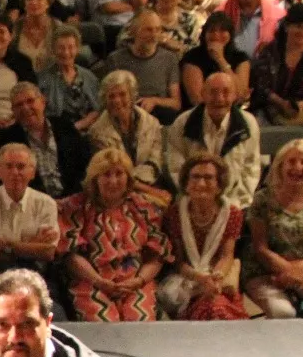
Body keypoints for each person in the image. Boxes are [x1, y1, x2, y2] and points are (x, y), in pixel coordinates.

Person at [59, 147, 173, 321]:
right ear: (95, 179)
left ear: (128, 178)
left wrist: (139, 281)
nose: (113, 181)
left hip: (136, 282)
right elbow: (70, 256)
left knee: (139, 319)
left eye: (119, 174)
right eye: (106, 175)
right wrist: (99, 281)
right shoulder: (76, 207)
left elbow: (157, 255)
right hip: (91, 282)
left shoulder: (143, 207)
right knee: (103, 322)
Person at [244, 139, 303, 318]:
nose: (298, 167)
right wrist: (291, 273)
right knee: (284, 313)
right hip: (267, 273)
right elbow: (260, 247)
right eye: (291, 161)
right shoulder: (262, 199)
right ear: (280, 166)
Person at [0, 144, 62, 305]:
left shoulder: (46, 203)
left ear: (32, 172)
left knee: (54, 313)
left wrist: (6, 245)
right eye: (9, 166)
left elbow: (48, 253)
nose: (15, 172)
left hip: (36, 275)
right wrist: (32, 245)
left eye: (21, 167)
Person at [159, 153, 249, 319]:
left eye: (208, 178)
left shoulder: (232, 214)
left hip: (218, 279)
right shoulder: (174, 214)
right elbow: (178, 261)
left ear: (219, 185)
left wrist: (215, 278)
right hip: (187, 281)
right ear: (186, 183)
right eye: (195, 177)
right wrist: (201, 279)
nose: (201, 183)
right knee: (208, 309)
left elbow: (226, 255)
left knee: (217, 307)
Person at [165, 70, 261, 207]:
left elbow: (251, 169)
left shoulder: (248, 123)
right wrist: (197, 197)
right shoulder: (183, 123)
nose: (220, 99)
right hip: (192, 201)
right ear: (203, 94)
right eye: (213, 92)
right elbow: (177, 168)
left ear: (234, 95)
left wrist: (234, 204)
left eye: (226, 92)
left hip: (235, 203)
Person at [249, 3, 303, 127]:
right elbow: (261, 87)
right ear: (287, 26)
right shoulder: (270, 51)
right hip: (269, 109)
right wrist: (281, 103)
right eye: (298, 26)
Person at [88, 70, 166, 190]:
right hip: (116, 189)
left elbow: (155, 162)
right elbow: (112, 171)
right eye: (111, 96)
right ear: (105, 100)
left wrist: (144, 185)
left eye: (122, 94)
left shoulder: (152, 123)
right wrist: (151, 191)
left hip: (150, 182)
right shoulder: (97, 133)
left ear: (132, 96)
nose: (117, 100)